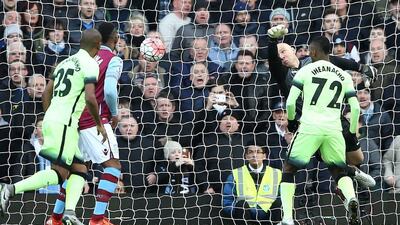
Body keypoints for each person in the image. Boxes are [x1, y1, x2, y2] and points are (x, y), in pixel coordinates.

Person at [0, 29, 107, 225]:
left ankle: (69, 213)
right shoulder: (91, 64)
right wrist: (99, 124)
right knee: (59, 174)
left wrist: (51, 115)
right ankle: (9, 189)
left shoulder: (64, 62)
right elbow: (91, 98)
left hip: (54, 120)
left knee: (80, 169)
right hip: (64, 123)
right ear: (98, 46)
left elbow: (46, 92)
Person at [267, 24, 376, 188]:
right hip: (311, 125)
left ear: (293, 49)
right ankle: (351, 188)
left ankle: (353, 179)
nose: (281, 56)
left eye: (283, 51)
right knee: (328, 162)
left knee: (357, 159)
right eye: (278, 55)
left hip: (335, 119)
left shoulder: (313, 61)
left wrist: (361, 67)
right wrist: (272, 40)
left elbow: (336, 61)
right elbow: (273, 60)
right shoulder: (284, 75)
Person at [278, 36, 361, 225]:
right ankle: (350, 198)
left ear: (313, 52)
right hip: (334, 130)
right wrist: (352, 131)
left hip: (310, 127)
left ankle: (287, 218)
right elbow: (355, 108)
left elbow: (291, 102)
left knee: (289, 169)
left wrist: (291, 122)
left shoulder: (305, 71)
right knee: (338, 171)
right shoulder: (343, 75)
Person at [46, 22, 122, 225]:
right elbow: (109, 91)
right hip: (94, 120)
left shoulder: (83, 58)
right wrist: (114, 113)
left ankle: (55, 218)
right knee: (113, 167)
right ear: (113, 38)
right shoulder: (113, 59)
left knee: (77, 170)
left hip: (73, 120)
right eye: (117, 36)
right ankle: (98, 219)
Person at [223, 142, 282, 225]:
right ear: (246, 156)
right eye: (250, 152)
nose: (254, 155)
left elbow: (283, 198)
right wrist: (237, 211)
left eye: (258, 152)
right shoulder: (236, 174)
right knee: (241, 204)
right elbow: (227, 201)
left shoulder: (276, 173)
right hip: (245, 217)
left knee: (279, 203)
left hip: (270, 217)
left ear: (264, 156)